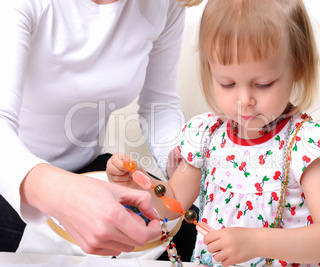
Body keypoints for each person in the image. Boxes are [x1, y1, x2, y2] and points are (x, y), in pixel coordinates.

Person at [107, 0, 320, 266]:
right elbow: (170, 205)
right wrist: (136, 186)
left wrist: (255, 242)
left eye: (263, 84)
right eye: (227, 83)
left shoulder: (306, 145)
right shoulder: (206, 136)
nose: (244, 99)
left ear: (298, 68)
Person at [0, 0, 202, 260]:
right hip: (11, 179)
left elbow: (160, 105)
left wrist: (181, 165)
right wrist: (60, 192)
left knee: (193, 240)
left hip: (88, 170)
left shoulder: (164, 5)